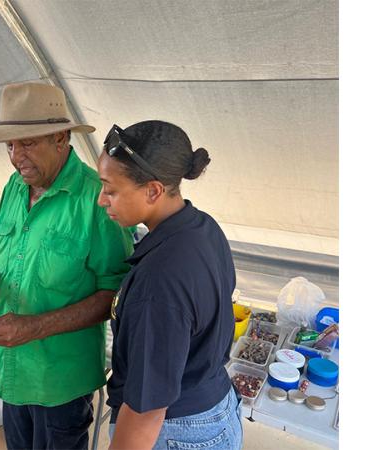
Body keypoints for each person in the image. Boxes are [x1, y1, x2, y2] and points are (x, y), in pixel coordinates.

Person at [0, 82, 133, 450]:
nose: (17, 157)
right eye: (10, 145)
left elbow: (115, 292)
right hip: (12, 367)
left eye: (29, 142)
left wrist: (35, 327)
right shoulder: (15, 187)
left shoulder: (97, 199)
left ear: (61, 137)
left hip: (62, 380)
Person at [97, 121, 242, 450]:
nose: (101, 200)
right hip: (218, 407)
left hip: (178, 430)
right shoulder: (203, 226)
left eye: (110, 189)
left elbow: (147, 410)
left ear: (152, 190)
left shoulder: (158, 281)